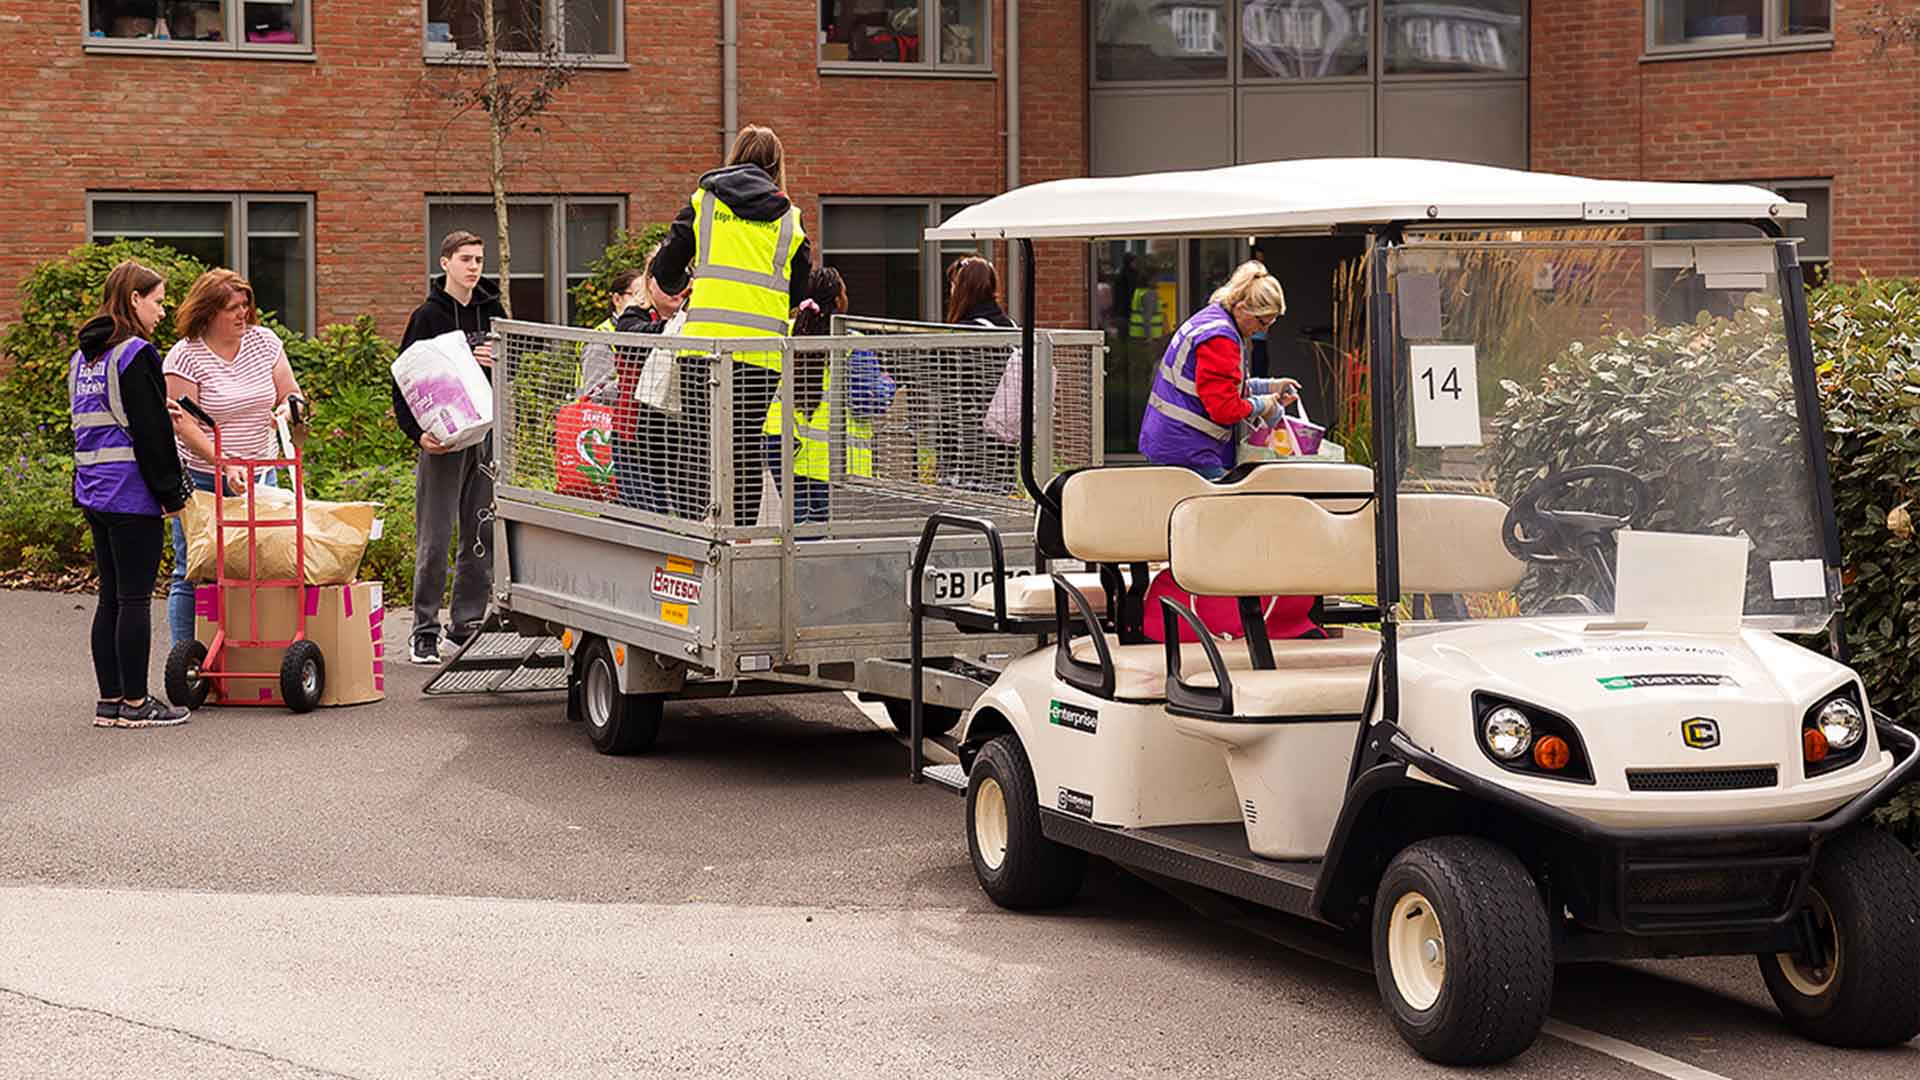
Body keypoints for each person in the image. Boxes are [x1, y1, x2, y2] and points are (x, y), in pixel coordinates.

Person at [649, 124, 813, 526]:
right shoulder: (790, 220)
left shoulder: (705, 202)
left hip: (704, 347)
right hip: (760, 355)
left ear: (735, 154)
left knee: (696, 444)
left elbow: (666, 265)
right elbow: (798, 291)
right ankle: (738, 539)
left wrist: (677, 287)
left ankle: (691, 534)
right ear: (777, 165)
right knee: (743, 450)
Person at [73, 261, 194, 727]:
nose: (163, 312)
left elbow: (98, 422)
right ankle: (137, 704)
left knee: (110, 598)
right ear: (134, 300)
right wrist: (172, 494)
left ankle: (111, 701)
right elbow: (150, 434)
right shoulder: (137, 353)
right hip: (131, 493)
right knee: (135, 600)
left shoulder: (86, 357)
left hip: (94, 492)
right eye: (159, 301)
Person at [164, 269, 307, 649]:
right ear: (209, 312)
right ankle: (187, 658)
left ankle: (251, 651)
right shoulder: (185, 355)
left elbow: (290, 393)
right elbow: (183, 422)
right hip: (203, 478)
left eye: (246, 306)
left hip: (260, 474)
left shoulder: (264, 343)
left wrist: (289, 410)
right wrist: (222, 464)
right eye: (232, 308)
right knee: (192, 569)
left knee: (259, 568)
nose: (242, 314)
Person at [394, 230, 506, 665]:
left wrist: (500, 360)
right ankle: (423, 631)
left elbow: (514, 365)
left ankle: (465, 626)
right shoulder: (427, 316)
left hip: (487, 434)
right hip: (442, 439)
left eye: (479, 259)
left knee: (480, 533)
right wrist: (415, 433)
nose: (474, 266)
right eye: (465, 259)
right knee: (435, 537)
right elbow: (403, 378)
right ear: (445, 263)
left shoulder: (494, 311)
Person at [1137, 259, 1299, 480]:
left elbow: (1217, 386)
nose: (1264, 331)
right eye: (1262, 323)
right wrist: (1265, 405)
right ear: (1242, 309)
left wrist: (1269, 386)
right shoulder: (1220, 339)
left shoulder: (1214, 320)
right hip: (1187, 450)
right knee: (1231, 509)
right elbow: (1223, 407)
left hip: (1174, 443)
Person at [764, 267, 894, 524]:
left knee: (797, 525)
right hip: (832, 455)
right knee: (822, 533)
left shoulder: (784, 333)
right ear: (837, 300)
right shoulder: (851, 343)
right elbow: (866, 402)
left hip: (783, 443)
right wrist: (887, 385)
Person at [943, 255, 1016, 491]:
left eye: (954, 285)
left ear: (964, 289)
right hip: (1005, 443)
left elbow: (954, 388)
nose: (951, 292)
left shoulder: (966, 331)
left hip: (970, 450)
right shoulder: (1009, 325)